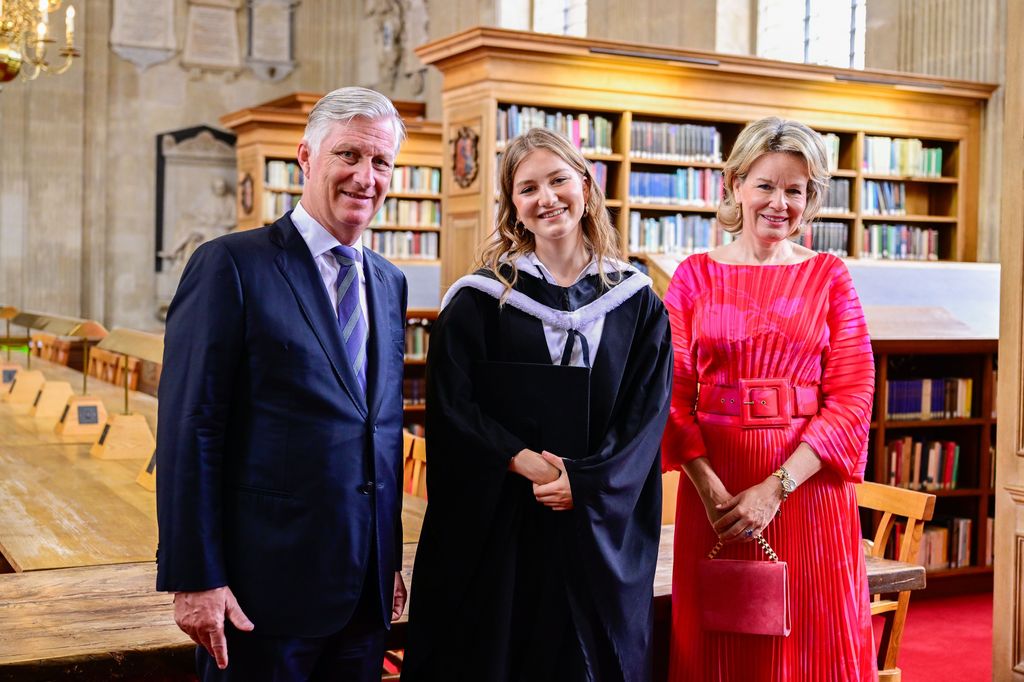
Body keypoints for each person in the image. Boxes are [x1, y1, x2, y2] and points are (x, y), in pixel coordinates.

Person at [155, 86, 410, 682]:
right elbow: (191, 427)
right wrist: (195, 576)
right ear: (306, 157)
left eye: (381, 162)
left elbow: (379, 429)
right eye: (349, 155)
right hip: (260, 595)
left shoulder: (389, 282)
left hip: (363, 593)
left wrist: (387, 560)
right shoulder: (232, 265)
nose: (365, 177)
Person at [401, 127, 673, 682]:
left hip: (595, 517)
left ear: (587, 187)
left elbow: (646, 415)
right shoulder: (480, 298)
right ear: (514, 209)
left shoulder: (637, 300)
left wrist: (587, 481)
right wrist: (522, 458)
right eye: (528, 189)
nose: (546, 197)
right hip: (505, 518)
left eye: (558, 180)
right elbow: (453, 406)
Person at [662, 116, 876, 680]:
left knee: (813, 636)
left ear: (810, 199)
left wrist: (777, 488)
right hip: (718, 488)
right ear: (734, 185)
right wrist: (710, 491)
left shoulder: (830, 276)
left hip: (807, 488)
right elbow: (671, 395)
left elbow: (854, 395)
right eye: (765, 185)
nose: (778, 202)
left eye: (795, 190)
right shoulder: (692, 277)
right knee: (722, 635)